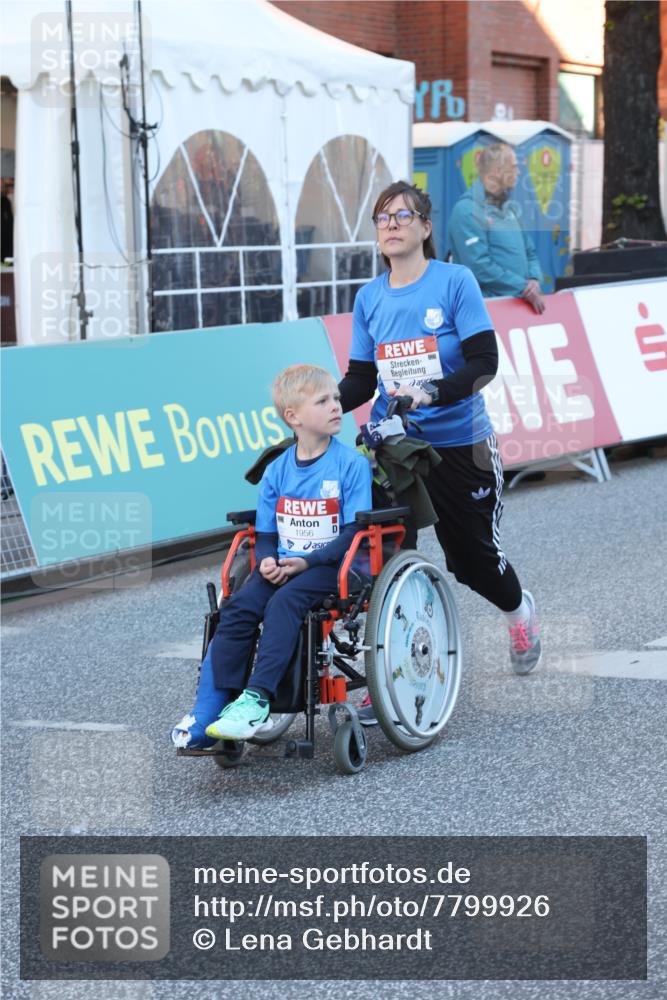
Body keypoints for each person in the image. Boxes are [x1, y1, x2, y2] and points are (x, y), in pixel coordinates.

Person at [339, 181, 541, 725]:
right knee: (380, 559)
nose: (392, 224)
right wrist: (325, 405)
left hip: (460, 445)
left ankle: (518, 610)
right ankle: (385, 675)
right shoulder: (369, 297)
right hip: (396, 447)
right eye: (382, 217)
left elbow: (483, 362)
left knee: (473, 563)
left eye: (403, 215)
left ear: (426, 228)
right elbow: (362, 377)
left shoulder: (455, 281)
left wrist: (433, 391)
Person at [171, 363, 372, 748]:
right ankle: (210, 706)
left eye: (336, 399)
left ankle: (257, 699)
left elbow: (352, 532)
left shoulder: (351, 464)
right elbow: (265, 533)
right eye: (323, 401)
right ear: (292, 417)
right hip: (284, 564)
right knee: (239, 607)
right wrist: (265, 559)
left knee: (284, 603)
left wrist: (307, 562)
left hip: (333, 567)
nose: (336, 407)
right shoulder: (278, 470)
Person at [448, 143, 545, 314]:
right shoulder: (466, 211)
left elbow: (530, 252)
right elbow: (479, 267)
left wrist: (535, 279)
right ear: (497, 171)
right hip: (488, 314)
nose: (519, 172)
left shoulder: (511, 208)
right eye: (514, 167)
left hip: (520, 310)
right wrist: (523, 287)